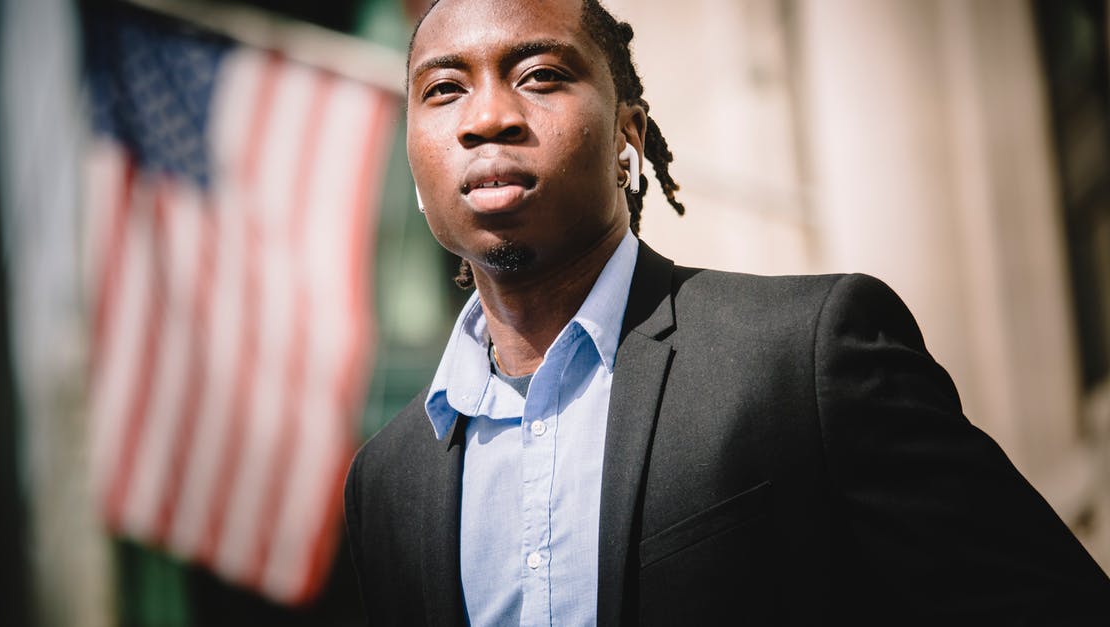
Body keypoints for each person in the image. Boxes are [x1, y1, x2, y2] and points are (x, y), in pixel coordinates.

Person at [344, 0, 1110, 624]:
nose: (487, 116)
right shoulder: (387, 481)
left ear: (627, 138)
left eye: (540, 75)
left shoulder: (806, 353)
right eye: (444, 89)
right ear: (414, 159)